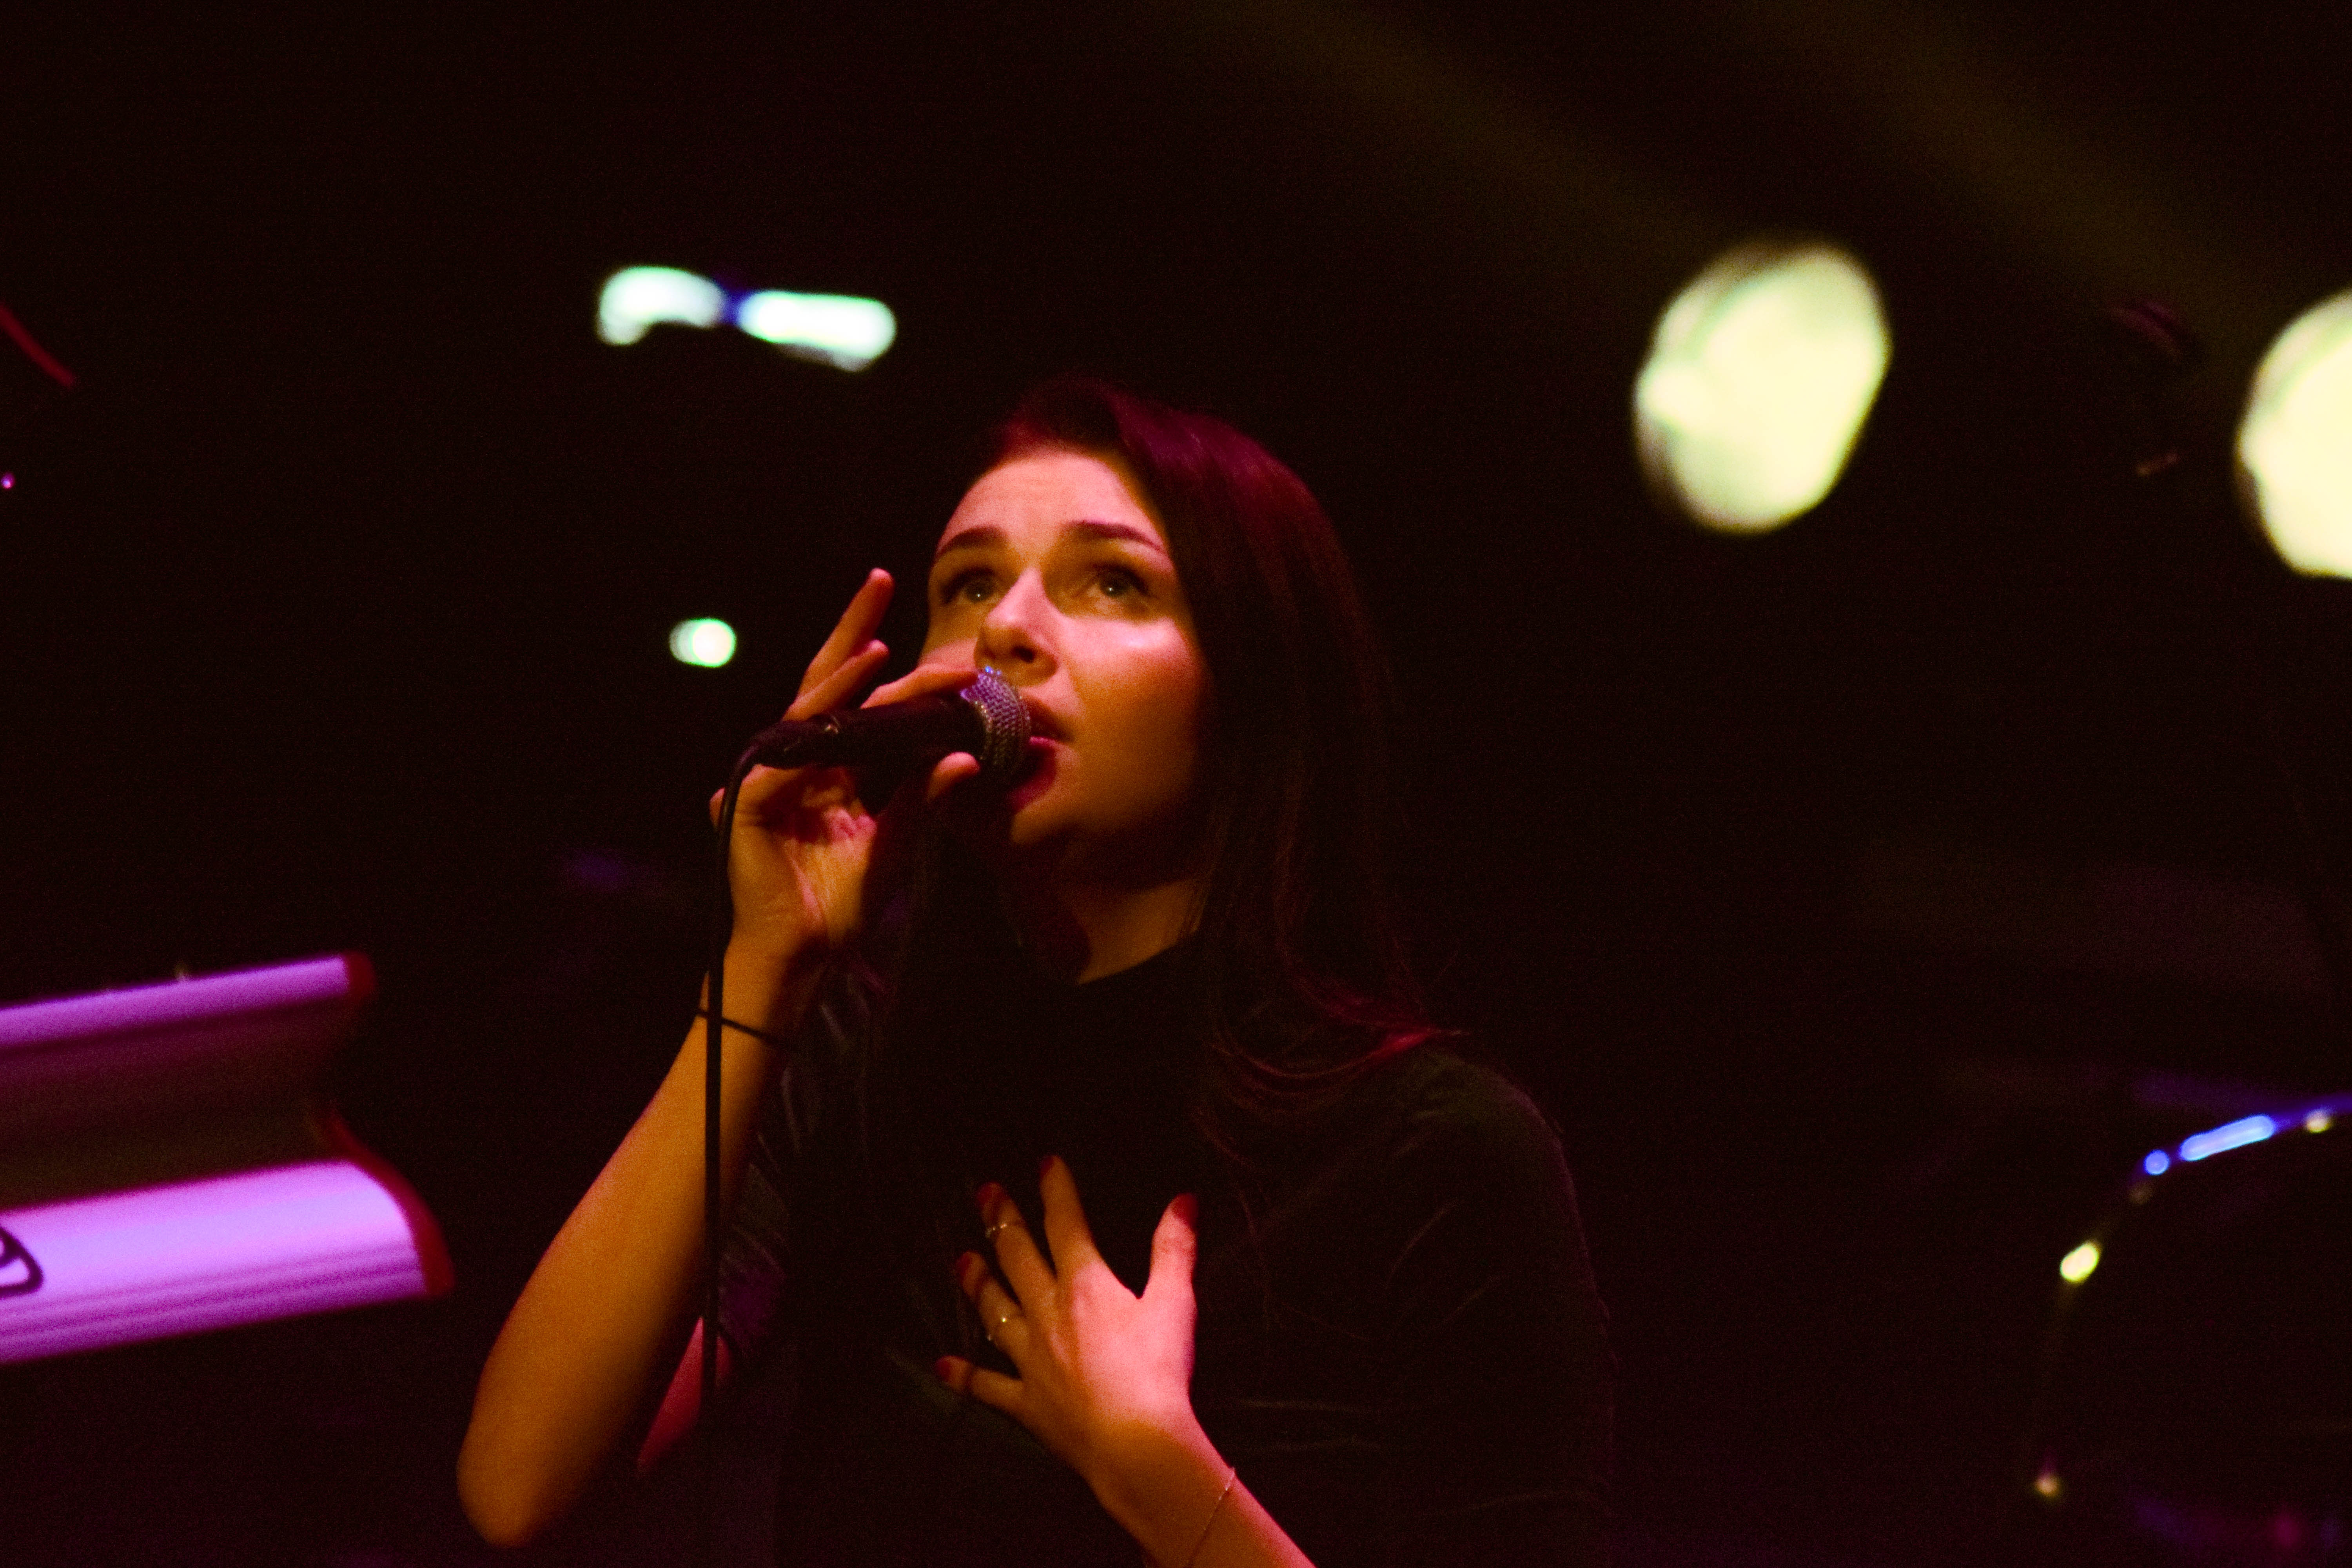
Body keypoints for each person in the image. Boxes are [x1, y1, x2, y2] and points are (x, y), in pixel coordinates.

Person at [457, 377, 1611, 1565]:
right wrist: (761, 969)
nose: (1006, 630)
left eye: (1111, 583)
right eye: (968, 586)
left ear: (1253, 682)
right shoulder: (868, 1061)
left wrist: (1164, 1477)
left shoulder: (1434, 1148)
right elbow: (518, 1483)